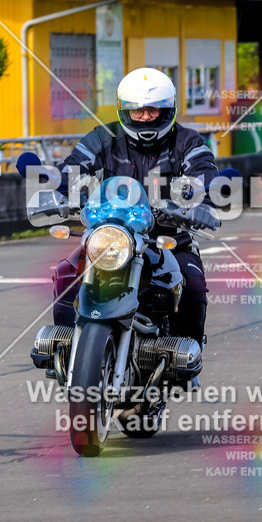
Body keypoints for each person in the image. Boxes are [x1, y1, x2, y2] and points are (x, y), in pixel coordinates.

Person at [50, 68, 219, 353]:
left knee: (192, 284)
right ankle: (62, 346)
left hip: (168, 238)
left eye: (153, 111)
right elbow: (75, 165)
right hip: (110, 235)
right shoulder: (103, 136)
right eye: (137, 111)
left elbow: (204, 172)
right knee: (66, 273)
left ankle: (185, 354)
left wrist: (203, 201)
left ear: (168, 111)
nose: (144, 117)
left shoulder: (187, 141)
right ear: (124, 111)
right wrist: (56, 187)